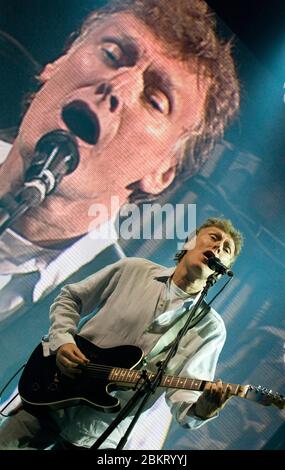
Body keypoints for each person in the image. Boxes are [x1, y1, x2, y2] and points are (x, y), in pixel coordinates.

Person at [0, 0, 239, 449]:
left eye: (154, 99)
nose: (116, 88)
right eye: (111, 54)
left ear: (162, 171)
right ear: (58, 63)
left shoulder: (126, 311)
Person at [0, 217, 244, 449]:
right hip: (49, 396)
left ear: (222, 271)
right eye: (214, 237)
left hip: (95, 434)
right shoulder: (133, 269)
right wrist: (63, 341)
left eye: (226, 249)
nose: (218, 247)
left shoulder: (210, 328)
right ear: (190, 241)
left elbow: (184, 397)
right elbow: (71, 298)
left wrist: (202, 410)